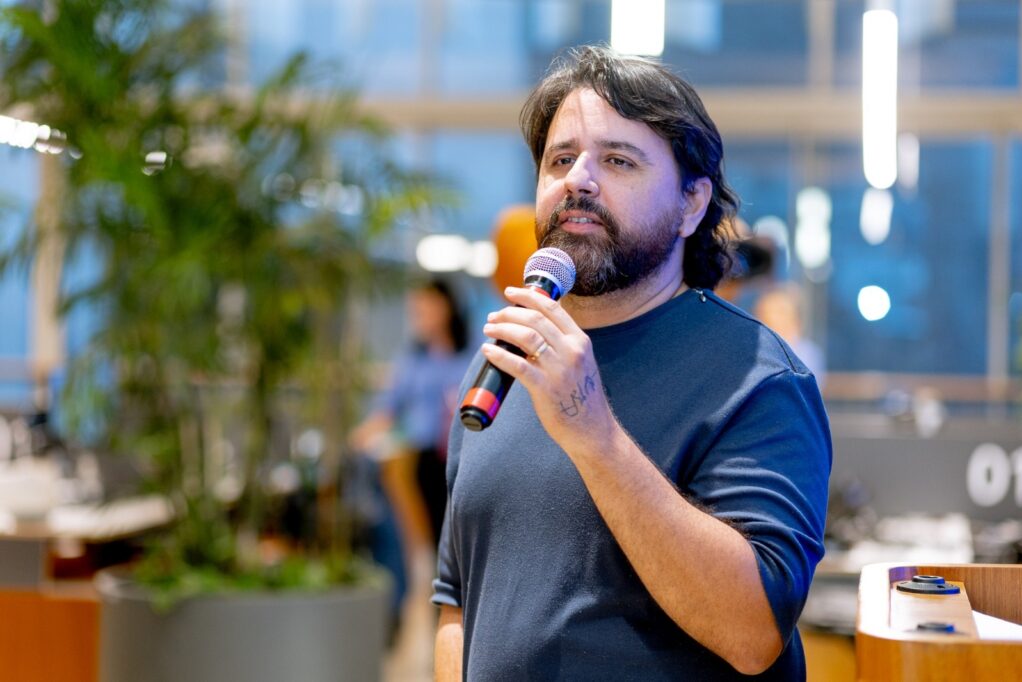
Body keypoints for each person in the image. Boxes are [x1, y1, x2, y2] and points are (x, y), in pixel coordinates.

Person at [432, 45, 831, 680]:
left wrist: (594, 433)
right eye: (561, 159)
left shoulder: (757, 376)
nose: (578, 179)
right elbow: (458, 605)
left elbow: (754, 632)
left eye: (618, 160)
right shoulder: (502, 370)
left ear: (692, 205)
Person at [351, 278, 473, 547]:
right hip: (421, 457)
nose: (417, 317)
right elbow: (388, 408)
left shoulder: (473, 354)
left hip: (463, 455)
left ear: (444, 307)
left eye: (422, 309)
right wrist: (361, 436)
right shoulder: (412, 360)